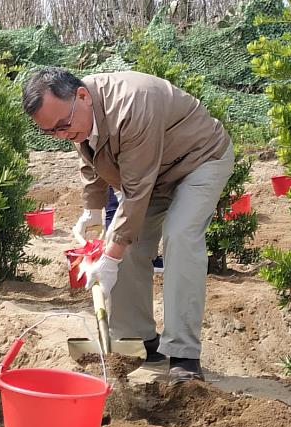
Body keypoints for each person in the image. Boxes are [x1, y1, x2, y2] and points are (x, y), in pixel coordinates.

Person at [23, 67, 233, 385]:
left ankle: (183, 357)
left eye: (63, 126)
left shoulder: (132, 105)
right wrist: (92, 211)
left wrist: (110, 260)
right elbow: (91, 157)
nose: (61, 136)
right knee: (127, 244)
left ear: (81, 96)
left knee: (179, 235)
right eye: (51, 132)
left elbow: (135, 194)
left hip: (198, 162)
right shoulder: (74, 114)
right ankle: (135, 344)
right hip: (153, 174)